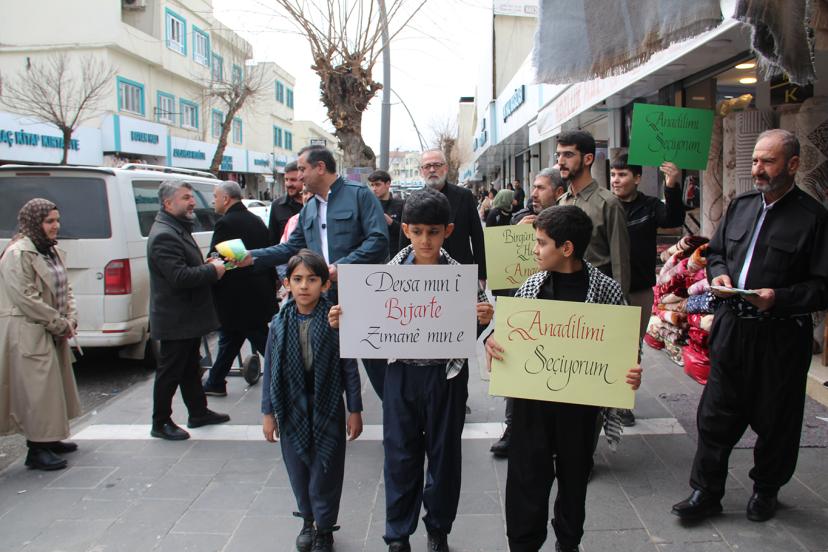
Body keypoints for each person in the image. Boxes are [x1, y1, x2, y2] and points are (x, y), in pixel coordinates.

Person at [672, 129, 828, 523]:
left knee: (777, 419)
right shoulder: (740, 205)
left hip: (780, 334)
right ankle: (705, 492)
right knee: (714, 414)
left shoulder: (813, 218)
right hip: (732, 328)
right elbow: (717, 254)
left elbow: (822, 287)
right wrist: (720, 275)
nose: (757, 168)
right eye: (755, 160)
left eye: (768, 161)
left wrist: (779, 297)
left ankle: (766, 490)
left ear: (793, 165)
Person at [331, 188, 493, 552]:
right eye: (417, 231)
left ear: (448, 231)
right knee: (400, 456)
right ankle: (397, 534)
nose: (425, 240)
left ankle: (438, 529)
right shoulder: (383, 278)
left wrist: (482, 320)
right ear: (405, 230)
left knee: (445, 457)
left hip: (446, 378)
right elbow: (368, 326)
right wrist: (345, 319)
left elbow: (471, 330)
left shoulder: (462, 278)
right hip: (401, 376)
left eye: (433, 232)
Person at [485, 205, 642, 552]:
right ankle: (523, 544)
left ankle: (568, 543)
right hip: (531, 408)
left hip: (579, 410)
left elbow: (627, 348)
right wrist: (494, 344)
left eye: (541, 243)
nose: (535, 250)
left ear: (566, 248)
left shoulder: (606, 291)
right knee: (526, 480)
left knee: (574, 480)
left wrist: (630, 372)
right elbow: (507, 340)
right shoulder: (530, 287)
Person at [235, 145, 388, 400]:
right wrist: (252, 257)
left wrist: (342, 267)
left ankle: (396, 417)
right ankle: (328, 416)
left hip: (359, 294)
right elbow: (290, 247)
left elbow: (378, 240)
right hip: (323, 297)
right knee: (325, 364)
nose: (299, 176)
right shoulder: (309, 208)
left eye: (302, 169)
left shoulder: (359, 195)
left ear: (320, 167)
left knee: (374, 362)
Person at [262, 249, 363, 552]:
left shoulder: (335, 321)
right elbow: (270, 369)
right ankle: (308, 520)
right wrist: (268, 412)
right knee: (298, 469)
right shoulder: (279, 323)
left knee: (326, 469)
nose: (304, 286)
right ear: (286, 283)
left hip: (327, 407)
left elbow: (349, 367)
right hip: (291, 408)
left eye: (312, 279)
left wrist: (355, 409)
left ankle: (325, 528)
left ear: (325, 284)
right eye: (297, 279)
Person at [489, 167, 567, 458]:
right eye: (533, 187)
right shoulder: (520, 218)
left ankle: (558, 436)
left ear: (558, 192)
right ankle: (513, 429)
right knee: (516, 367)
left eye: (541, 188)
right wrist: (518, 232)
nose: (533, 193)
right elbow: (503, 266)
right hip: (521, 306)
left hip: (557, 307)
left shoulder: (569, 221)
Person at [0, 199, 82, 471]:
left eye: (57, 220)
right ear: (34, 223)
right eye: (49, 221)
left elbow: (64, 287)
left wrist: (70, 317)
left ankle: (49, 438)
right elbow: (26, 298)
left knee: (52, 389)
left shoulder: (48, 249)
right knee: (36, 391)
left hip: (50, 327)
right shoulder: (18, 253)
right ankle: (36, 448)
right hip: (29, 330)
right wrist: (59, 323)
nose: (56, 226)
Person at [147, 181, 230, 441]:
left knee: (190, 368)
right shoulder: (164, 234)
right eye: (185, 198)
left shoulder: (176, 227)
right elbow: (179, 277)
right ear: (168, 203)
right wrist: (212, 270)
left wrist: (205, 265)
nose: (192, 202)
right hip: (176, 319)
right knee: (170, 371)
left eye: (191, 197)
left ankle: (198, 412)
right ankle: (160, 422)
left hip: (187, 317)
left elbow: (184, 266)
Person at [610, 155, 685, 426]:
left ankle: (622, 402)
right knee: (605, 344)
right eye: (613, 175)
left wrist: (672, 184)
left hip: (639, 289)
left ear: (638, 178)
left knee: (631, 348)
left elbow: (673, 218)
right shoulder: (606, 205)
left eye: (622, 175)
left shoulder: (650, 206)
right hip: (607, 288)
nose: (616, 180)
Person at [203, 181, 278, 397]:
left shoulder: (226, 223)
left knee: (263, 342)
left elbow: (218, 258)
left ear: (226, 198)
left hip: (238, 297)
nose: (213, 201)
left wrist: (211, 263)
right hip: (256, 293)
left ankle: (291, 374)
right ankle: (215, 382)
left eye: (215, 196)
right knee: (231, 338)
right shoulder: (255, 220)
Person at [557, 130, 631, 295]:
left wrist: (620, 301)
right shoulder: (561, 202)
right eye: (558, 155)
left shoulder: (608, 203)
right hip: (564, 294)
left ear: (588, 159)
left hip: (598, 294)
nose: (560, 161)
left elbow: (620, 262)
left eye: (568, 155)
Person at [400, 150, 487, 284]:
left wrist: (481, 274)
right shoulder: (411, 200)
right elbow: (404, 241)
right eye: (427, 166)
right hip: (422, 274)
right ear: (421, 171)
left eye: (437, 165)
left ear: (445, 168)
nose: (432, 170)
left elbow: (477, 236)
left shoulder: (464, 196)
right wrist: (400, 274)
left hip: (461, 271)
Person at [368, 169, 405, 258]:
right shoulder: (368, 205)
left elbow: (407, 231)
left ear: (388, 184)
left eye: (377, 184)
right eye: (372, 185)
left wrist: (391, 222)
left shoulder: (401, 204)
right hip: (374, 255)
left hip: (395, 255)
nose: (374, 189)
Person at [268, 161, 303, 245]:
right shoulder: (277, 206)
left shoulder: (314, 204)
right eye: (286, 180)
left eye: (293, 180)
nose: (288, 184)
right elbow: (273, 241)